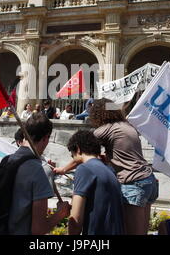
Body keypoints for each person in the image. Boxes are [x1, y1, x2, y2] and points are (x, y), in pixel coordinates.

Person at [55, 98, 158, 235]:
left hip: (133, 182)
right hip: (149, 180)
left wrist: (63, 169)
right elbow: (125, 154)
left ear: (98, 114)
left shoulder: (106, 129)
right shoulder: (126, 125)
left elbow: (83, 148)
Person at [8, 112, 70, 234]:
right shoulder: (38, 170)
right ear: (46, 138)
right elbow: (38, 229)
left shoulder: (8, 160)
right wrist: (60, 214)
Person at [67, 130, 124, 235]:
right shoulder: (110, 170)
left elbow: (76, 222)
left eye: (72, 155)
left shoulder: (84, 169)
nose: (73, 159)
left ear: (78, 149)